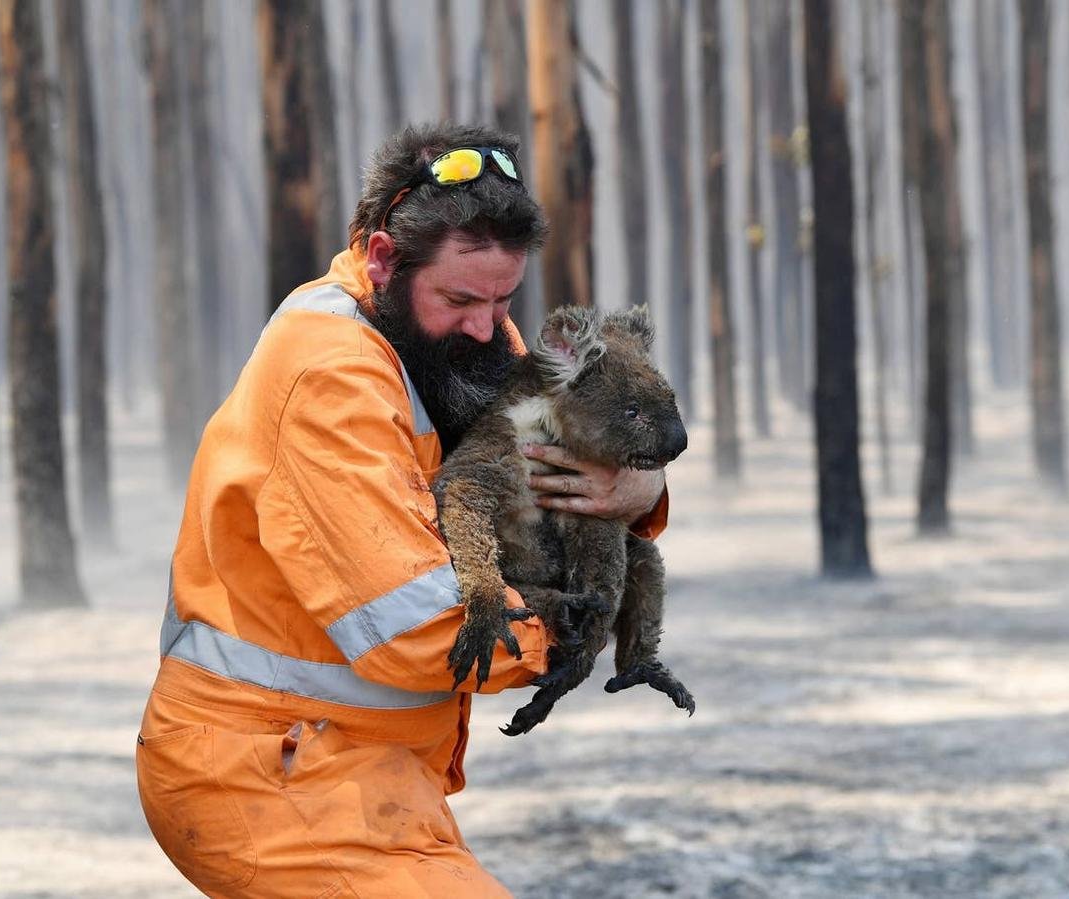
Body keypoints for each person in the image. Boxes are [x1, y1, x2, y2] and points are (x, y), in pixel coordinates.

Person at [135, 123, 670, 898]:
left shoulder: (450, 334)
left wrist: (642, 494)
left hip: (362, 769)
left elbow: (566, 455)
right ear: (385, 259)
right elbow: (416, 626)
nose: (491, 327)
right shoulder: (332, 376)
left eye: (504, 298)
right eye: (461, 298)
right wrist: (573, 625)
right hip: (265, 774)